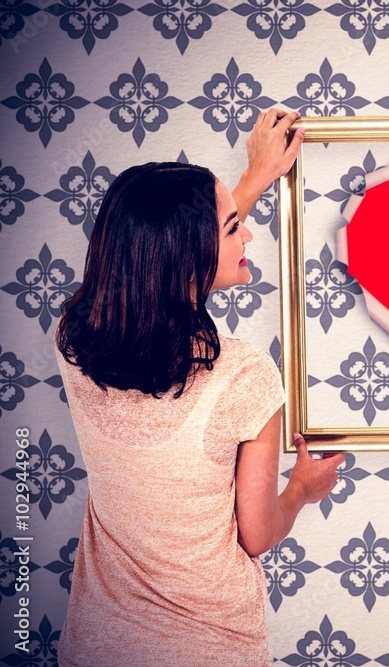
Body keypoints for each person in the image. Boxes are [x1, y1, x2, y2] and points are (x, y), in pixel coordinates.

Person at [55, 109, 346, 667]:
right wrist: (302, 491)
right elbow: (257, 534)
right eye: (234, 226)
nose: (250, 232)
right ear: (190, 253)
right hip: (210, 647)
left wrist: (252, 180)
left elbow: (165, 261)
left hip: (97, 643)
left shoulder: (74, 345)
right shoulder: (244, 377)